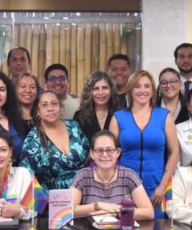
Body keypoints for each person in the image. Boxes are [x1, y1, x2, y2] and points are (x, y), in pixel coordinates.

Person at [110, 70, 180, 218]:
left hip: (156, 189)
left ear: (153, 90)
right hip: (124, 188)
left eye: (147, 86)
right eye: (137, 86)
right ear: (130, 90)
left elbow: (175, 152)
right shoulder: (118, 117)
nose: (142, 90)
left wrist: (162, 186)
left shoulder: (164, 116)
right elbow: (110, 154)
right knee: (125, 228)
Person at [71, 131, 153, 220]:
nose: (105, 155)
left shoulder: (129, 176)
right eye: (99, 150)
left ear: (118, 152)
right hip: (89, 228)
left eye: (109, 150)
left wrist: (118, 212)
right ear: (92, 154)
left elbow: (149, 212)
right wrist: (99, 205)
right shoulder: (82, 176)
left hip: (122, 228)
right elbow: (67, 211)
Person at [21, 91, 89, 190]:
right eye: (44, 105)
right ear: (38, 112)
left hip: (85, 190)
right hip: (52, 196)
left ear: (60, 108)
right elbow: (26, 175)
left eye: (54, 103)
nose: (50, 108)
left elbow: (90, 157)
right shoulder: (33, 139)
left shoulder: (73, 126)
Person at [73, 72, 116, 142]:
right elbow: (77, 144)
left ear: (111, 90)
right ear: (89, 92)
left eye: (105, 88)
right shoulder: (79, 116)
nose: (101, 92)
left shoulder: (119, 114)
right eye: (96, 88)